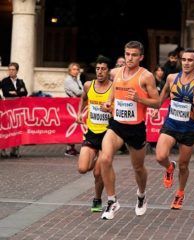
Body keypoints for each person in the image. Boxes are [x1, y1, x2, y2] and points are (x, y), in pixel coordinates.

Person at [100, 40, 160, 220]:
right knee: (105, 158)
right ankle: (112, 201)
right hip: (117, 125)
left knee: (138, 168)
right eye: (127, 54)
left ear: (141, 57)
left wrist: (139, 99)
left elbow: (157, 102)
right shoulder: (116, 72)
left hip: (136, 129)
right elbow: (114, 90)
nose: (130, 58)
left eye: (134, 55)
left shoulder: (146, 76)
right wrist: (109, 102)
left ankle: (141, 196)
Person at [153, 48, 194, 210]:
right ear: (180, 61)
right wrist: (156, 108)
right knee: (159, 156)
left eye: (190, 60)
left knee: (184, 165)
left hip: (188, 129)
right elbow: (162, 96)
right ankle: (169, 167)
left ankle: (180, 193)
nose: (186, 63)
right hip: (171, 124)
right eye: (184, 59)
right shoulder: (171, 78)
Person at [76, 56, 113, 212]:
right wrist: (79, 113)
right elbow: (83, 98)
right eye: (98, 69)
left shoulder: (114, 88)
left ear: (108, 71)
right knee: (83, 168)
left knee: (98, 172)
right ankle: (96, 159)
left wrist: (110, 110)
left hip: (108, 135)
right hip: (91, 133)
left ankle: (97, 199)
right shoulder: (88, 85)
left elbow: (120, 109)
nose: (100, 72)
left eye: (103, 69)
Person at [1, 62, 28, 158]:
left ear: (17, 71)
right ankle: (3, 150)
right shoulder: (4, 81)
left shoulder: (20, 81)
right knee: (5, 129)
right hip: (7, 108)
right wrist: (18, 92)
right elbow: (6, 92)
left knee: (17, 128)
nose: (11, 71)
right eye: (9, 69)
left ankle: (15, 150)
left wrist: (14, 92)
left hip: (18, 108)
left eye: (13, 69)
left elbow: (25, 92)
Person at [64, 62, 83, 156]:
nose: (76, 71)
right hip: (71, 105)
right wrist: (85, 91)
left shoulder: (77, 80)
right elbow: (78, 92)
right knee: (71, 125)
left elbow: (81, 90)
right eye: (74, 69)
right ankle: (68, 149)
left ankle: (72, 147)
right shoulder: (68, 80)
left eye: (77, 69)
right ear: (70, 70)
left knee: (76, 125)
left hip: (77, 104)